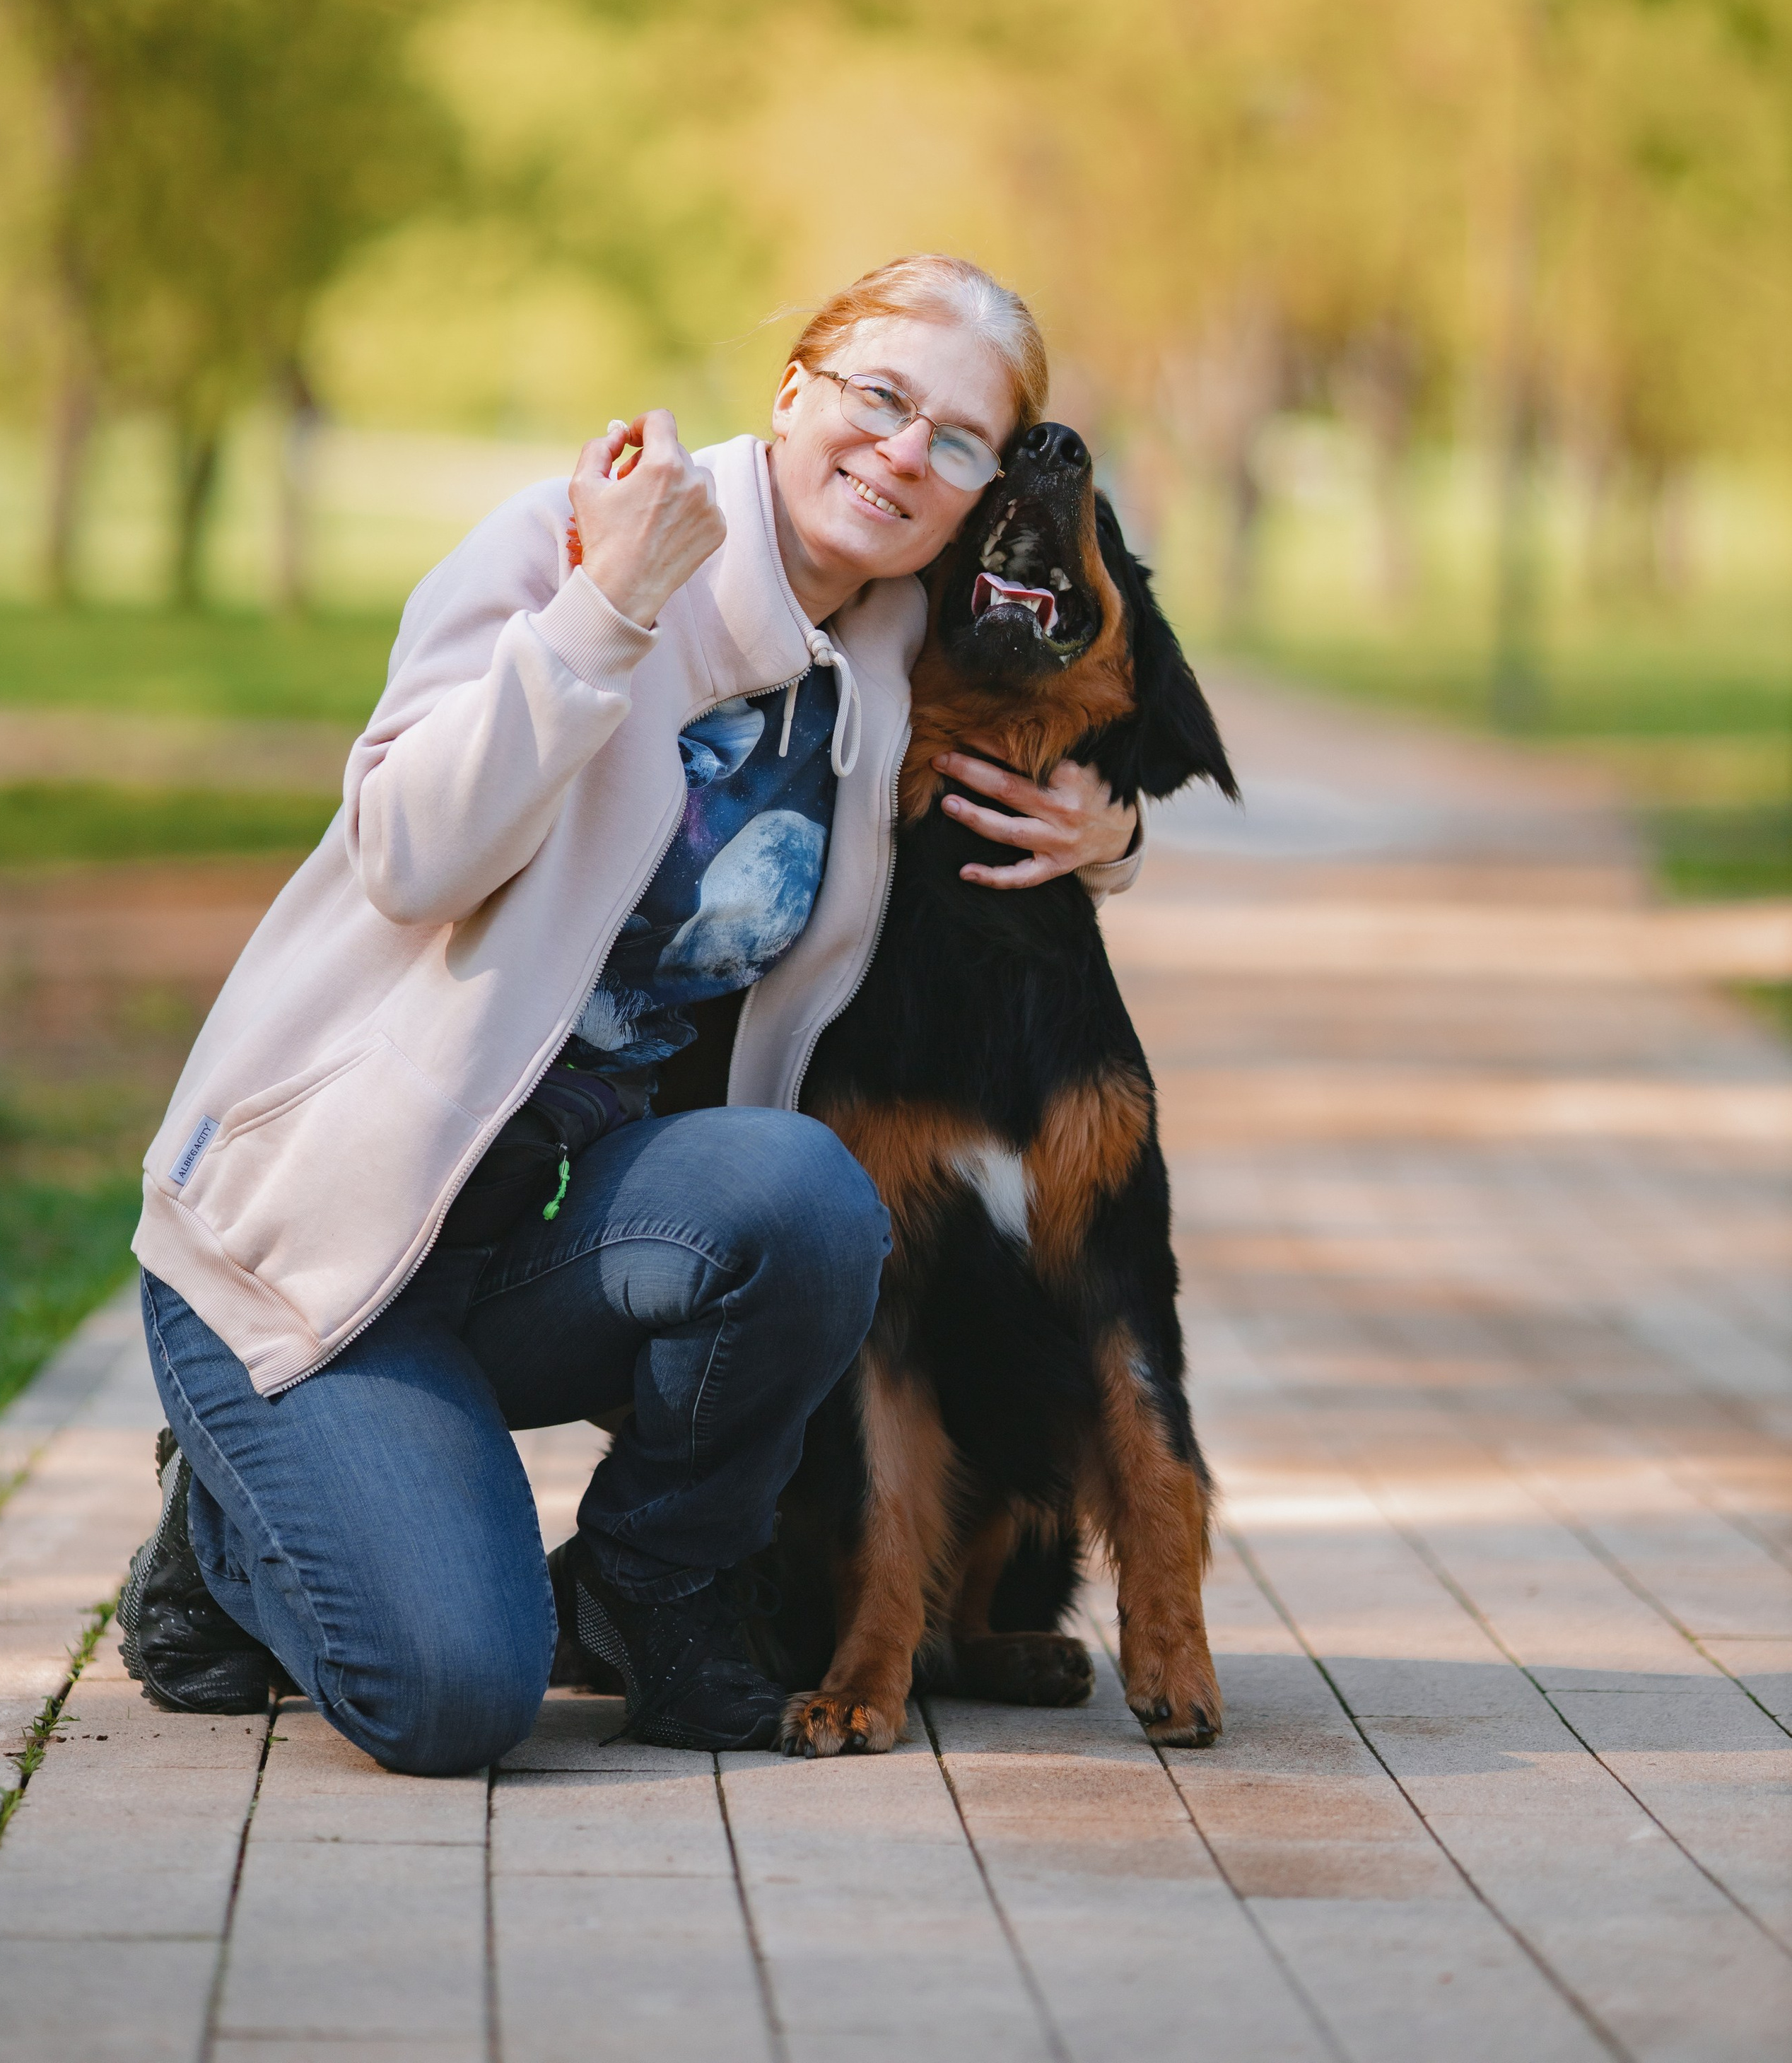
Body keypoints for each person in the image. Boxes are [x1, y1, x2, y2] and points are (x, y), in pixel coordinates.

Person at [118, 257, 1144, 1774]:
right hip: (309, 1243)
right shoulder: (564, 542)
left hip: (540, 1244)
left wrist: (1110, 837)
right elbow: (410, 851)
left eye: (955, 440)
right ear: (793, 387)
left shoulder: (884, 635)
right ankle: (224, 1531)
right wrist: (602, 612)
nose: (901, 454)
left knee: (802, 1194)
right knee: (458, 1699)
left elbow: (1113, 696)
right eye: (879, 397)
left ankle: (651, 1586)